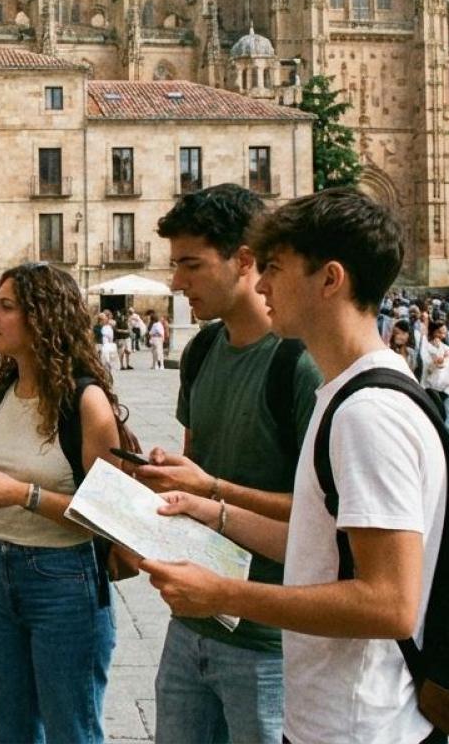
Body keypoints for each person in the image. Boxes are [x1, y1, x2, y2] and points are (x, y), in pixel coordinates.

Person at [141, 188, 448, 744]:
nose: (261, 284)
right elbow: (315, 538)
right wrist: (208, 507)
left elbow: (391, 603)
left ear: (330, 279)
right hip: (328, 713)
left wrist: (225, 594)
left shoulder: (367, 413)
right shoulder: (345, 393)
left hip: (359, 724)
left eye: (275, 269)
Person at [135, 184, 322, 744]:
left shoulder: (300, 364)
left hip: (269, 640)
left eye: (191, 264)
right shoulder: (201, 350)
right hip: (191, 619)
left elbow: (325, 520)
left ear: (245, 260)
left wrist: (211, 489)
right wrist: (163, 482)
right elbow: (199, 470)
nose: (175, 282)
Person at [0, 263, 122, 743]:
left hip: (67, 578)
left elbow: (109, 515)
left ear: (43, 317)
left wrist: (22, 494)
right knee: (13, 731)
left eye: (6, 306)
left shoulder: (86, 402)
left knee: (72, 731)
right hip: (0, 570)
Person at [421, 320, 449, 434]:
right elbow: (427, 368)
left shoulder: (447, 349)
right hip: (432, 389)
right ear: (433, 332)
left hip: (448, 388)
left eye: (444, 333)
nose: (442, 336)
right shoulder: (426, 348)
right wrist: (436, 359)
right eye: (439, 332)